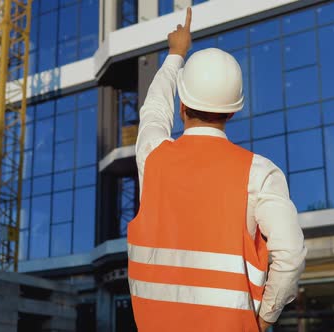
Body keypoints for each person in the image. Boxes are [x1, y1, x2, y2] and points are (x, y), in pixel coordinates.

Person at [127, 7, 306, 332]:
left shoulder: (153, 157)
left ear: (182, 105)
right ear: (232, 113)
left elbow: (154, 109)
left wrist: (176, 53)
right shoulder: (259, 173)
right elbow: (290, 254)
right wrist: (263, 320)